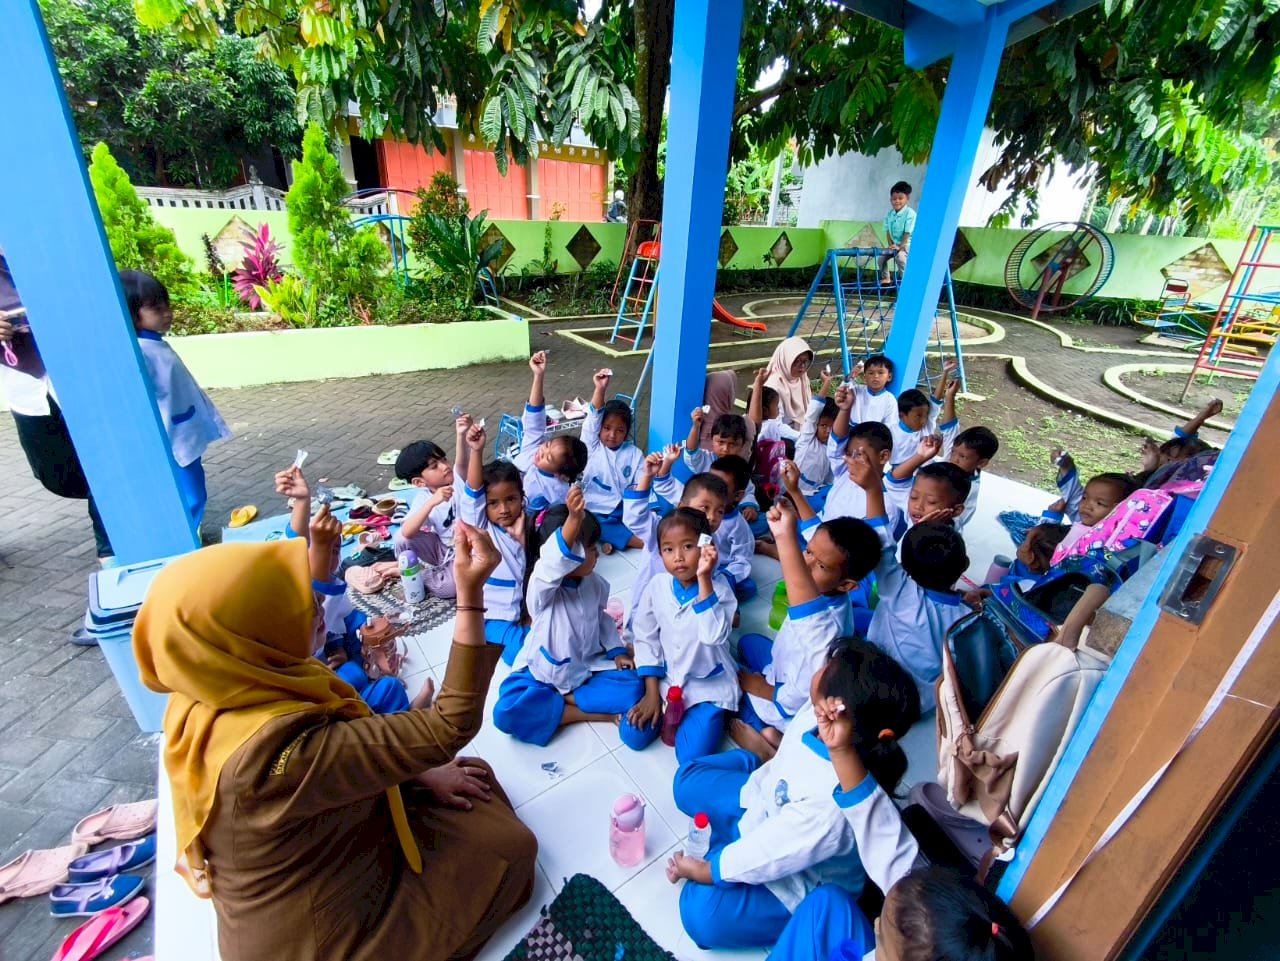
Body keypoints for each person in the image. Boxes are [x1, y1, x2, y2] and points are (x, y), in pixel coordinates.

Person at [132, 524, 539, 961]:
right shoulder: (272, 755)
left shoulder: (219, 685)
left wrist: (417, 772)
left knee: (468, 779)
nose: (317, 608)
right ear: (249, 634)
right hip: (318, 937)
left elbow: (341, 758)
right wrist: (470, 595)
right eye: (293, 606)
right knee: (512, 850)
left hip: (324, 858)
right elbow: (449, 725)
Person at [663, 637, 920, 951]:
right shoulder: (820, 714)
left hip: (797, 877)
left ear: (839, 708)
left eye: (826, 668)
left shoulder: (830, 804)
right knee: (685, 783)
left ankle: (729, 847)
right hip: (763, 801)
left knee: (699, 914)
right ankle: (758, 758)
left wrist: (708, 870)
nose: (818, 670)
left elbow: (772, 852)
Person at [770, 695, 1033, 961]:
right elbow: (883, 838)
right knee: (826, 902)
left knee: (824, 905)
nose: (875, 925)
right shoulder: (919, 932)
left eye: (882, 940)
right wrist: (841, 751)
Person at [491, 485, 644, 745]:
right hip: (544, 673)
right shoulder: (542, 587)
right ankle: (588, 712)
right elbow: (554, 562)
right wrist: (573, 519)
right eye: (589, 549)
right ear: (570, 554)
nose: (596, 554)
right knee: (506, 712)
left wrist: (617, 651)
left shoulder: (595, 584)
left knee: (634, 687)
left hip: (585, 669)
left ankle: (560, 702)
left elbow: (602, 619)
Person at [1, 250, 115, 582]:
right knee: (60, 476)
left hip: (83, 375)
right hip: (27, 386)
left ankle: (111, 550)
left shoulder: (45, 247)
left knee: (104, 466)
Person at [734, 497, 880, 754]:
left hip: (789, 697)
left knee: (734, 691)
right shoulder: (831, 594)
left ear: (846, 585)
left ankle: (770, 740)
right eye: (809, 551)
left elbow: (800, 692)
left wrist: (759, 688)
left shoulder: (823, 631)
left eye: (821, 565)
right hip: (781, 667)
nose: (805, 564)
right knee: (748, 643)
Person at [619, 507, 738, 762]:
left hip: (707, 686)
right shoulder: (657, 585)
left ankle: (722, 719)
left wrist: (704, 577)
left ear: (706, 546)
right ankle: (664, 704)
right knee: (633, 735)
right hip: (668, 679)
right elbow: (646, 636)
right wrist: (652, 693)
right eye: (668, 549)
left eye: (688, 546)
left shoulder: (721, 591)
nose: (678, 557)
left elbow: (713, 636)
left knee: (689, 756)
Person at [854, 456, 970, 711]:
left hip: (874, 688)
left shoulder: (901, 590)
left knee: (851, 616)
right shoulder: (966, 616)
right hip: (921, 704)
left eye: (931, 502)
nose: (918, 506)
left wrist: (873, 489)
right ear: (964, 566)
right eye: (914, 496)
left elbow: (882, 544)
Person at [121, 269, 231, 529]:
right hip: (173, 437)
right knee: (191, 496)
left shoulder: (155, 343)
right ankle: (186, 540)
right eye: (156, 309)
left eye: (167, 306)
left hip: (184, 430)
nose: (167, 314)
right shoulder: (140, 352)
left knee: (193, 491)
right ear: (132, 313)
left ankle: (190, 534)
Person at [623, 449, 730, 644]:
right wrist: (647, 476)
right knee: (642, 641)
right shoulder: (662, 530)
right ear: (681, 506)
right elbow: (634, 517)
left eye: (719, 511)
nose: (712, 517)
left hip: (685, 614)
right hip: (649, 608)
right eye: (704, 507)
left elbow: (711, 578)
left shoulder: (709, 541)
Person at [458, 419, 536, 665]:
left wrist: (523, 541)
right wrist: (477, 450)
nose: (503, 509)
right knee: (524, 657)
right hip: (493, 617)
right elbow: (472, 494)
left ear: (522, 497)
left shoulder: (529, 523)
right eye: (493, 503)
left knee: (558, 639)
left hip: (525, 610)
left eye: (511, 499)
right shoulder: (482, 529)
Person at [391, 413, 471, 599]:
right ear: (419, 482)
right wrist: (433, 501)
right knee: (401, 539)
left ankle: (415, 574)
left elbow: (462, 462)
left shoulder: (459, 481)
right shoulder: (424, 497)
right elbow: (407, 532)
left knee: (449, 589)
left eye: (443, 459)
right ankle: (407, 572)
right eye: (434, 466)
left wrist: (461, 434)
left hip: (468, 551)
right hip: (443, 550)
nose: (444, 466)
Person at [657, 453, 756, 601]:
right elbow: (666, 486)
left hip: (719, 569)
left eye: (722, 487)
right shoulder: (694, 502)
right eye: (711, 480)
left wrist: (725, 577)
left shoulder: (737, 526)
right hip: (687, 567)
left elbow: (742, 560)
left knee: (747, 587)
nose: (711, 517)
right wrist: (667, 463)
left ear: (737, 496)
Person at [511, 351, 589, 512]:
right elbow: (534, 421)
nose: (541, 452)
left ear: (561, 475)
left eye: (549, 458)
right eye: (547, 445)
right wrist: (538, 375)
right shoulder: (533, 449)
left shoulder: (557, 494)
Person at [581, 368, 646, 553]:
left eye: (620, 430)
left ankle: (610, 542)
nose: (612, 435)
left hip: (623, 507)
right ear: (599, 428)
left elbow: (641, 486)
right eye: (607, 428)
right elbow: (594, 417)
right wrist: (600, 389)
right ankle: (642, 543)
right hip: (597, 509)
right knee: (593, 523)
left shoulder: (634, 454)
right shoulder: (591, 446)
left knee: (644, 516)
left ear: (627, 432)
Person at [948, 425, 1000, 531]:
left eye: (962, 456)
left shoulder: (971, 489)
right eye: (953, 452)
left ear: (981, 463)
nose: (954, 459)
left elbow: (963, 517)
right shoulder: (953, 467)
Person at [764, 336, 816, 429]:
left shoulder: (802, 378)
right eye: (797, 361)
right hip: (782, 435)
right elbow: (776, 426)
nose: (802, 366)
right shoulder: (773, 386)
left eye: (805, 361)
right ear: (785, 359)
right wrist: (801, 436)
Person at [878, 181, 915, 286]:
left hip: (907, 244)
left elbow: (907, 233)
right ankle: (886, 278)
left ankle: (906, 282)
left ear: (907, 198)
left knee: (901, 258)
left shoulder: (910, 213)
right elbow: (888, 231)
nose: (897, 201)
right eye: (894, 199)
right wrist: (891, 246)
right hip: (895, 245)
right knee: (881, 258)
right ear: (890, 200)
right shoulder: (890, 214)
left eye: (900, 198)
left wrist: (900, 247)